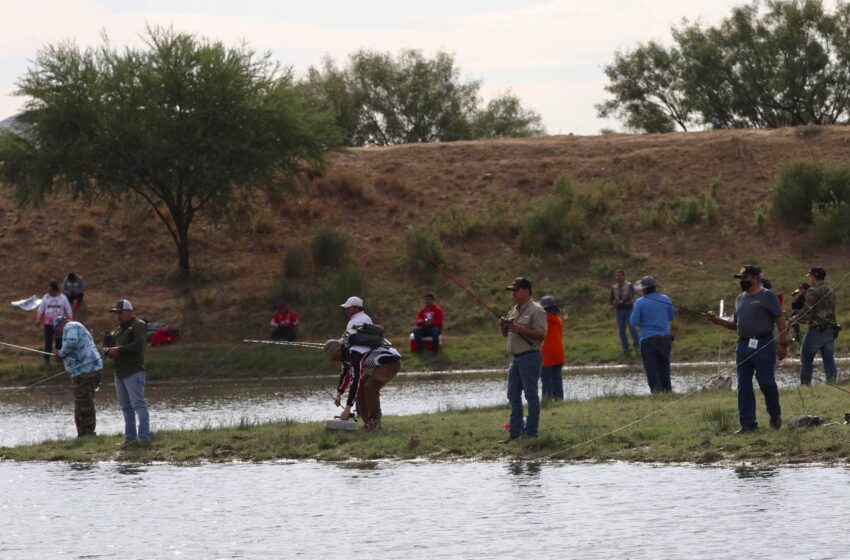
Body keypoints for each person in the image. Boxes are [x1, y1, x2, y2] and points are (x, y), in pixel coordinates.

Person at [708, 265, 787, 433]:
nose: (742, 281)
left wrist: (783, 344)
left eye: (745, 278)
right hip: (743, 345)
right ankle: (747, 424)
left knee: (766, 382)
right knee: (743, 385)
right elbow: (735, 325)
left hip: (764, 344)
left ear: (755, 278)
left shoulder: (768, 296)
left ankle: (775, 414)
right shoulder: (739, 299)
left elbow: (780, 320)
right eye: (740, 278)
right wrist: (718, 321)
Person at [499, 278, 547, 442]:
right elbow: (507, 334)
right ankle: (514, 433)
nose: (513, 293)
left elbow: (542, 335)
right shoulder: (513, 310)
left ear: (526, 291)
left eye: (516, 290)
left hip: (530, 357)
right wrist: (502, 326)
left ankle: (531, 433)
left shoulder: (537, 310)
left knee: (530, 395)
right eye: (512, 290)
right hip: (516, 359)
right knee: (513, 395)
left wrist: (519, 328)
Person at [325, 336, 401, 431]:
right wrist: (339, 394)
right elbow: (345, 375)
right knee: (361, 388)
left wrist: (348, 408)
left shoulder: (354, 354)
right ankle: (368, 423)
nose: (333, 360)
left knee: (370, 386)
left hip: (390, 361)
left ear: (338, 351)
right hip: (377, 365)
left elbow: (355, 380)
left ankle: (376, 423)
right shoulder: (346, 356)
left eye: (333, 357)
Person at [102, 299, 151, 447]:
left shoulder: (139, 326)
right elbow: (112, 347)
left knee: (138, 405)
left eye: (120, 313)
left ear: (129, 312)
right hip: (119, 373)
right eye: (116, 313)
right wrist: (107, 351)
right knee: (126, 408)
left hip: (134, 372)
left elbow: (138, 345)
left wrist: (119, 350)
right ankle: (130, 440)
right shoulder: (118, 330)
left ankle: (144, 439)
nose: (118, 316)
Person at [54, 315, 103, 437]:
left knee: (84, 402)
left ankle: (88, 434)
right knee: (84, 401)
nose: (59, 333)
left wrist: (60, 354)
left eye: (57, 329)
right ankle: (84, 433)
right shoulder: (75, 327)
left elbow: (71, 342)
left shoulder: (71, 325)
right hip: (85, 369)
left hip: (85, 370)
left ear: (60, 325)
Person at [789, 267, 838, 384]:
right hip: (831, 329)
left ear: (814, 277)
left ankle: (805, 384)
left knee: (805, 358)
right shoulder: (830, 289)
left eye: (810, 276)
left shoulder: (812, 290)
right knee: (829, 359)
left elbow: (808, 309)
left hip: (816, 330)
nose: (810, 279)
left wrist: (796, 318)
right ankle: (832, 383)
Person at [629, 276, 674, 393]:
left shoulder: (639, 303)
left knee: (651, 367)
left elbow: (633, 322)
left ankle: (656, 392)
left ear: (644, 289)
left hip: (647, 340)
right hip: (665, 339)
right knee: (665, 366)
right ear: (655, 287)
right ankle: (668, 390)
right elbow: (671, 317)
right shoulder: (666, 299)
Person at [333, 296, 372, 422]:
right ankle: (359, 411)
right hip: (365, 355)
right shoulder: (367, 318)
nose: (346, 310)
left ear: (356, 308)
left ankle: (349, 409)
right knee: (357, 382)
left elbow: (346, 341)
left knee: (356, 381)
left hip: (358, 355)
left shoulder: (353, 321)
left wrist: (337, 343)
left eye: (348, 308)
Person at [35, 281, 74, 364]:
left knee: (59, 343)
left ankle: (60, 360)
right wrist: (38, 319)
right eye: (48, 289)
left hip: (59, 326)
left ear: (55, 290)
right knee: (48, 342)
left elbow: (69, 310)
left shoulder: (63, 298)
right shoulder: (46, 297)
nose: (48, 291)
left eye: (50, 289)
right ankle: (47, 360)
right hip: (48, 325)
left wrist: (70, 322)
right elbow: (40, 309)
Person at [539, 295, 565, 400]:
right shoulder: (558, 319)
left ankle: (547, 400)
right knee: (557, 378)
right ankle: (559, 399)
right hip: (559, 353)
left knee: (546, 379)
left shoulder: (543, 320)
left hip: (546, 353)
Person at [609, 269, 639, 354]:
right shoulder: (614, 287)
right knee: (621, 330)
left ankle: (637, 346)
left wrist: (623, 302)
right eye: (617, 275)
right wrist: (612, 305)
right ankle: (625, 348)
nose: (618, 277)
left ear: (624, 276)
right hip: (619, 310)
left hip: (629, 309)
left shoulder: (629, 285)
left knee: (632, 328)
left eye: (620, 275)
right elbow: (611, 299)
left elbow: (633, 297)